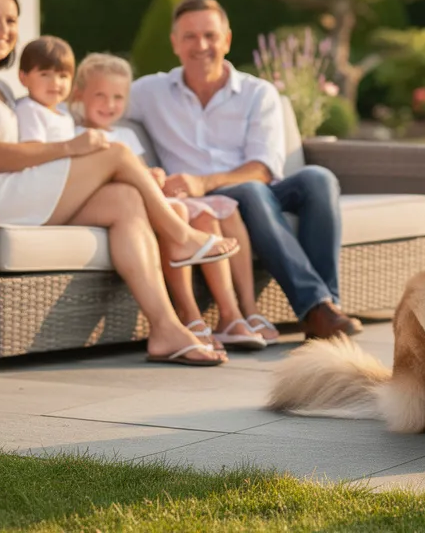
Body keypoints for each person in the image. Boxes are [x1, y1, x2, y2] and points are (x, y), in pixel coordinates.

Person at [0, 0, 239, 366]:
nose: (3, 29)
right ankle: (181, 234)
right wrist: (71, 148)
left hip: (15, 192)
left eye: (11, 20)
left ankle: (166, 329)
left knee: (126, 201)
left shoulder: (2, 89)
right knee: (115, 151)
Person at [127, 0, 362, 340]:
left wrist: (203, 181)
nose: (201, 45)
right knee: (251, 192)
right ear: (174, 43)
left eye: (210, 35)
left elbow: (264, 170)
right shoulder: (149, 92)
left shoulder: (257, 93)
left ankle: (326, 305)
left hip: (253, 189)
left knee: (318, 179)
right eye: (189, 36)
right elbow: (95, 105)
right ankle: (318, 311)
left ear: (227, 40)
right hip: (206, 203)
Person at [68, 52, 277, 349]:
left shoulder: (126, 133)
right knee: (179, 211)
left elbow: (140, 173)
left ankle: (231, 315)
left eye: (117, 97)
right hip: (128, 205)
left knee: (210, 214)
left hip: (154, 199)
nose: (110, 104)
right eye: (100, 95)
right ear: (79, 94)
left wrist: (154, 176)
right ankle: (189, 316)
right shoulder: (77, 133)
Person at [14, 36, 77, 143]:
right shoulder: (29, 109)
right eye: (45, 74)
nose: (55, 83)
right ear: (23, 77)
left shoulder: (65, 114)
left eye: (63, 76)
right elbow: (34, 152)